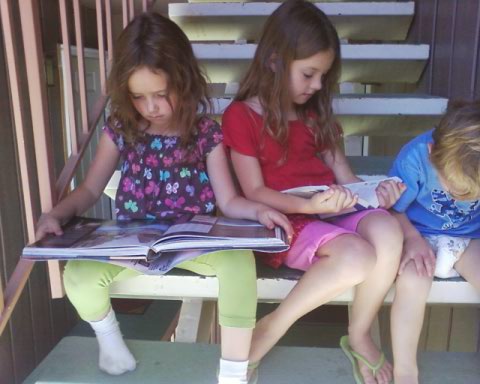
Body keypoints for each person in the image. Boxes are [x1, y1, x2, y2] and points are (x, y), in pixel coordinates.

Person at [35, 13, 292, 384]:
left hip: (194, 241)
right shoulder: (121, 128)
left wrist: (260, 210)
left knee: (239, 264)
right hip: (132, 242)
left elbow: (230, 200)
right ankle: (110, 344)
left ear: (184, 82)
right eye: (138, 97)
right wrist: (56, 214)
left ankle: (234, 371)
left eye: (160, 94)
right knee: (76, 274)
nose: (150, 107)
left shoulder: (205, 133)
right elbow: (90, 190)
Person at [221, 1, 405, 383]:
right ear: (274, 61)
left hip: (329, 208)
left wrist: (377, 194)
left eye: (323, 75)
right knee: (357, 257)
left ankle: (359, 333)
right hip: (284, 218)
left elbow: (345, 176)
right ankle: (273, 326)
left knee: (388, 231)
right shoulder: (242, 116)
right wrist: (306, 204)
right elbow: (254, 190)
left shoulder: (316, 115)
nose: (318, 85)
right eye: (309, 74)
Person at [388, 100, 480, 384]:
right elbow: (391, 209)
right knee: (413, 282)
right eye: (455, 189)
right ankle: (405, 370)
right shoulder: (414, 157)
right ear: (432, 154)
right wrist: (412, 239)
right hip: (417, 232)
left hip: (469, 236)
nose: (461, 197)